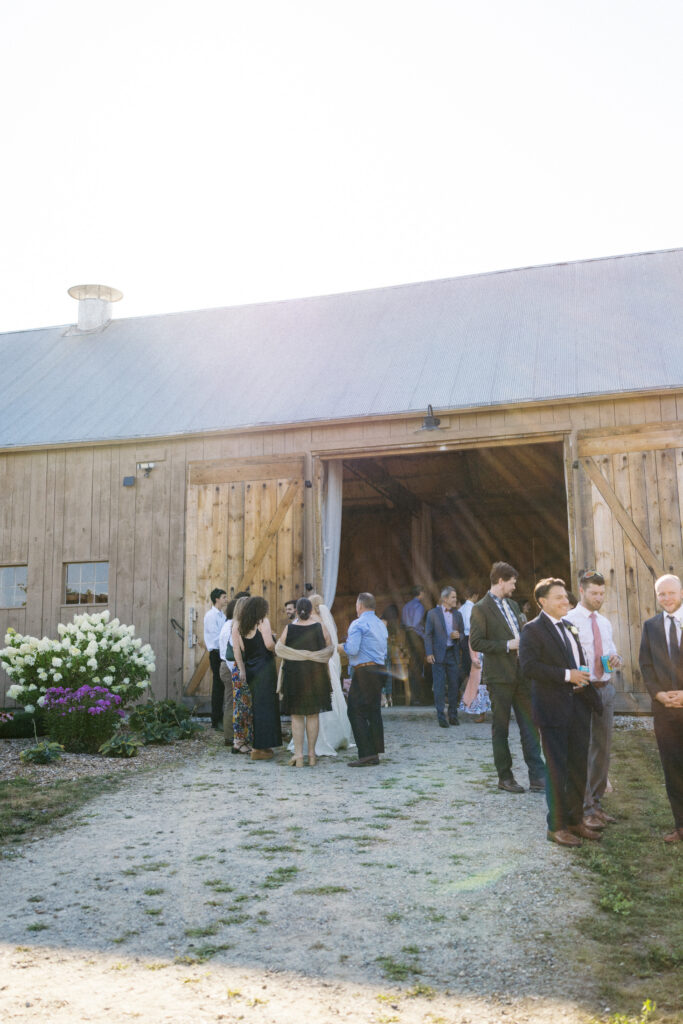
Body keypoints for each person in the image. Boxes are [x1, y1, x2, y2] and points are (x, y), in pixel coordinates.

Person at [519, 577, 604, 848]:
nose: (566, 601)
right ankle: (556, 827)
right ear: (542, 602)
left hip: (578, 707)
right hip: (553, 710)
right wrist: (568, 675)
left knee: (579, 767)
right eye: (559, 598)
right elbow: (529, 667)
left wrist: (584, 676)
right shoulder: (532, 630)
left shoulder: (570, 626)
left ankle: (576, 820)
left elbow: (577, 662)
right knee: (558, 770)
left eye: (566, 597)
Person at [470, 562, 546, 793]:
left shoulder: (513, 605)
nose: (515, 586)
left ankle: (537, 777)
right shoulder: (480, 608)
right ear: (501, 581)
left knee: (530, 726)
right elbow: (476, 642)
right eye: (512, 581)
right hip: (499, 677)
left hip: (522, 675)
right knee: (500, 728)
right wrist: (506, 645)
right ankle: (505, 777)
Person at [566, 570, 623, 828]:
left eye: (602, 593)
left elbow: (610, 651)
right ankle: (584, 806)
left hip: (606, 688)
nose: (599, 598)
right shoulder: (569, 620)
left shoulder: (604, 622)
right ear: (581, 590)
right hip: (583, 691)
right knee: (584, 749)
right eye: (594, 593)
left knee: (603, 748)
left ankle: (596, 803)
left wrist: (615, 659)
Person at [638, 573, 683, 843]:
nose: (666, 598)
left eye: (671, 593)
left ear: (681, 592)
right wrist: (658, 694)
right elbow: (646, 664)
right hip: (665, 711)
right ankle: (680, 825)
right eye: (661, 594)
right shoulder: (651, 626)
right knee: (672, 768)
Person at [276, 597, 334, 766]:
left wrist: (298, 654)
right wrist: (312, 655)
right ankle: (312, 756)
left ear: (296, 611)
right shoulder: (320, 627)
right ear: (310, 611)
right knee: (313, 714)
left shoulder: (289, 628)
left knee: (297, 715)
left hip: (294, 675)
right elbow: (329, 649)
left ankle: (299, 755)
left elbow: (280, 648)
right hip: (315, 675)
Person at [339, 593, 388, 767]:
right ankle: (375, 752)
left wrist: (339, 648)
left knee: (354, 710)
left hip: (364, 670)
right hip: (380, 669)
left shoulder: (358, 623)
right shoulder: (381, 625)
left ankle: (366, 753)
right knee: (374, 711)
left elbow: (352, 649)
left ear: (359, 606)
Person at [233, 596, 282, 760]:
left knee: (257, 707)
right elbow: (268, 644)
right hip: (265, 667)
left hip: (251, 668)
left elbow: (238, 651)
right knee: (267, 707)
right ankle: (261, 748)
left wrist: (242, 670)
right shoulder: (262, 621)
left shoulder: (239, 625)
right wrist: (277, 651)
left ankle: (259, 746)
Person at [425, 586, 468, 728]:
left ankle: (453, 715)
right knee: (439, 686)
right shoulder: (432, 614)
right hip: (437, 655)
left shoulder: (458, 615)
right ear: (445, 599)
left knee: (454, 685)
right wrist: (429, 653)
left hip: (453, 654)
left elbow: (462, 635)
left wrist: (459, 636)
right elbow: (428, 634)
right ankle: (441, 717)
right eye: (453, 597)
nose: (456, 600)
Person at [219, 590, 250, 750]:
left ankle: (232, 735)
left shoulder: (227, 625)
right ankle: (231, 736)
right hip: (230, 666)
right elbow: (234, 651)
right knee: (233, 702)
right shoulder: (232, 626)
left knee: (230, 701)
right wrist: (237, 670)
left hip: (226, 664)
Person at [230, 595, 253, 754]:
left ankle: (245, 738)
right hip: (240, 669)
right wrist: (242, 669)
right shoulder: (236, 626)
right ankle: (238, 740)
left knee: (247, 705)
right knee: (240, 706)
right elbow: (238, 650)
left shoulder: (244, 624)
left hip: (245, 667)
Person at [204, 587, 227, 729]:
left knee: (223, 686)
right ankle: (216, 720)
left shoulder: (222, 615)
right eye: (224, 597)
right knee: (218, 686)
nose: (226, 599)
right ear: (216, 599)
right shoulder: (211, 616)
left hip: (222, 652)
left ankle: (221, 717)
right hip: (216, 653)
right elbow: (215, 637)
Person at [401, 585, 428, 704]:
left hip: (407, 636)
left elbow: (404, 623)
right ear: (420, 593)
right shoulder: (419, 606)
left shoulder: (406, 606)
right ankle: (417, 697)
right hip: (416, 636)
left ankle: (412, 696)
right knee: (418, 666)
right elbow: (416, 623)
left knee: (411, 666)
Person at [380, 603, 401, 707]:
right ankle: (389, 697)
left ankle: (384, 697)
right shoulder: (389, 623)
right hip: (387, 649)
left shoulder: (381, 621)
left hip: (382, 649)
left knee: (384, 673)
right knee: (387, 673)